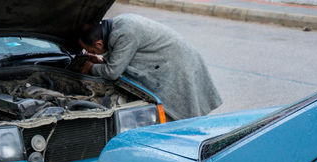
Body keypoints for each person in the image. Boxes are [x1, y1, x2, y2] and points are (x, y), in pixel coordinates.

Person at [79, 14, 222, 120]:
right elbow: (118, 59)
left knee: (177, 113)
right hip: (168, 60)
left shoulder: (124, 32)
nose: (89, 53)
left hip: (176, 64)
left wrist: (91, 68)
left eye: (90, 51)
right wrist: (99, 63)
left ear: (98, 43)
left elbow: (113, 72)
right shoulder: (116, 24)